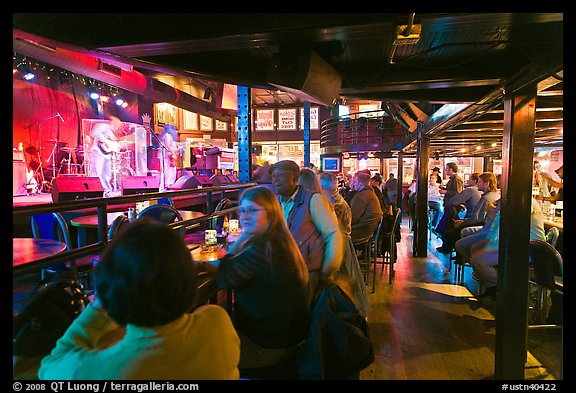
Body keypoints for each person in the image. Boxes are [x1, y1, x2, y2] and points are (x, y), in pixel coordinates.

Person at [38, 219, 241, 380]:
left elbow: (50, 366)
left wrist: (99, 306)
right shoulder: (218, 322)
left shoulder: (96, 370)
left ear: (108, 293)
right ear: (188, 282)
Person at [199, 186, 310, 372]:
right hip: (283, 337)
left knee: (197, 355)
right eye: (242, 210)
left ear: (272, 213)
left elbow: (226, 277)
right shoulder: (276, 240)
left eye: (253, 210)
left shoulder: (264, 250)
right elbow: (231, 268)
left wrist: (200, 265)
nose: (245, 216)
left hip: (268, 346)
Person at [268, 160, 344, 304]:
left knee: (305, 315)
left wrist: (328, 269)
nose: (276, 180)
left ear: (295, 179)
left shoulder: (313, 200)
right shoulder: (277, 202)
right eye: (273, 176)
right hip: (284, 271)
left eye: (281, 176)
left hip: (309, 272)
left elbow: (332, 234)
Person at [319, 171, 370, 318]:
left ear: (322, 186)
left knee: (341, 283)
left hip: (341, 244)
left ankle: (343, 315)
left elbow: (331, 230)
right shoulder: (336, 199)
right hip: (344, 241)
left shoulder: (333, 204)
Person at [437, 172, 500, 253]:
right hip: (488, 227)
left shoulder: (483, 197)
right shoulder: (496, 195)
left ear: (487, 184)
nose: (478, 184)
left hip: (480, 226)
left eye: (480, 181)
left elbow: (476, 219)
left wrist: (462, 223)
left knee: (451, 232)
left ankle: (461, 257)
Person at [89, 116, 122, 196]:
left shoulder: (112, 134)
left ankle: (107, 191)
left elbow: (115, 145)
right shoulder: (103, 126)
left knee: (107, 174)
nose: (118, 128)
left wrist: (116, 146)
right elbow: (94, 133)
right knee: (98, 173)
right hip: (98, 152)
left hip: (106, 155)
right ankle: (98, 191)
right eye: (117, 126)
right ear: (114, 123)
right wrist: (106, 141)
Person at [349, 171, 383, 245]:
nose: (354, 184)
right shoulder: (370, 193)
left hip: (360, 232)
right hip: (369, 230)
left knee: (334, 234)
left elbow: (353, 218)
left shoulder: (362, 195)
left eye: (355, 182)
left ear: (360, 183)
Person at [435, 162, 464, 235]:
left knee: (449, 225)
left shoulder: (456, 179)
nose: (445, 170)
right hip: (449, 204)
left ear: (451, 169)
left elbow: (457, 193)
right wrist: (444, 188)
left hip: (453, 206)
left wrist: (445, 191)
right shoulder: (453, 179)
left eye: (447, 169)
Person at [158, 124, 181, 189]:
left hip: (169, 156)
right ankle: (166, 185)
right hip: (166, 156)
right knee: (167, 170)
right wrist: (173, 153)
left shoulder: (170, 137)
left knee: (171, 170)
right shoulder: (167, 136)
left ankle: (169, 184)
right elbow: (168, 146)